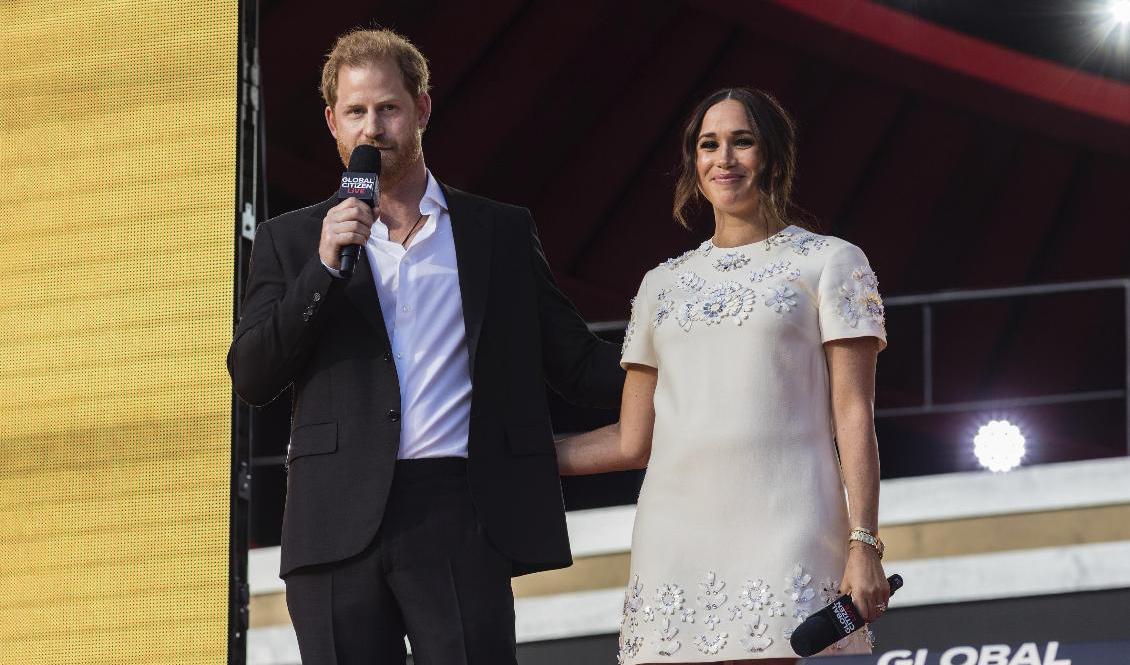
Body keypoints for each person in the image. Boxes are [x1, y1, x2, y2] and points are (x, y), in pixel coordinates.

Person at [227, 28, 623, 665]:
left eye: (388, 108)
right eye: (356, 112)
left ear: (422, 109)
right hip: (333, 522)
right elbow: (252, 375)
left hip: (457, 509)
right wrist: (325, 266)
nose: (373, 127)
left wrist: (682, 351)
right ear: (332, 121)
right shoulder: (293, 240)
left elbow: (577, 365)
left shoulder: (495, 231)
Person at [556, 88, 890, 664]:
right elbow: (634, 440)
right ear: (693, 162)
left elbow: (853, 413)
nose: (724, 158)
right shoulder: (660, 285)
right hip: (674, 538)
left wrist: (864, 544)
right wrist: (515, 454)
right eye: (709, 144)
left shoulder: (831, 261)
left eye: (743, 141)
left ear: (774, 157)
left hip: (791, 525)